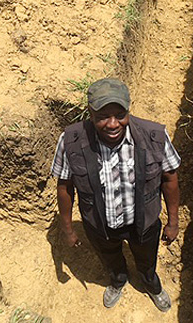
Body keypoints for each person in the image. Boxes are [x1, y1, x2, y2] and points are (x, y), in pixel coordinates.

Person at [52, 78, 180, 312]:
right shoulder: (71, 141)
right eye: (102, 116)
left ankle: (151, 284)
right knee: (109, 257)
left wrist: (173, 222)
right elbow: (65, 187)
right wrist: (68, 229)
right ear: (90, 113)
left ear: (128, 110)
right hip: (99, 224)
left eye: (120, 115)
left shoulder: (154, 136)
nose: (112, 124)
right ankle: (118, 280)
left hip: (144, 222)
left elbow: (170, 180)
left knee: (146, 258)